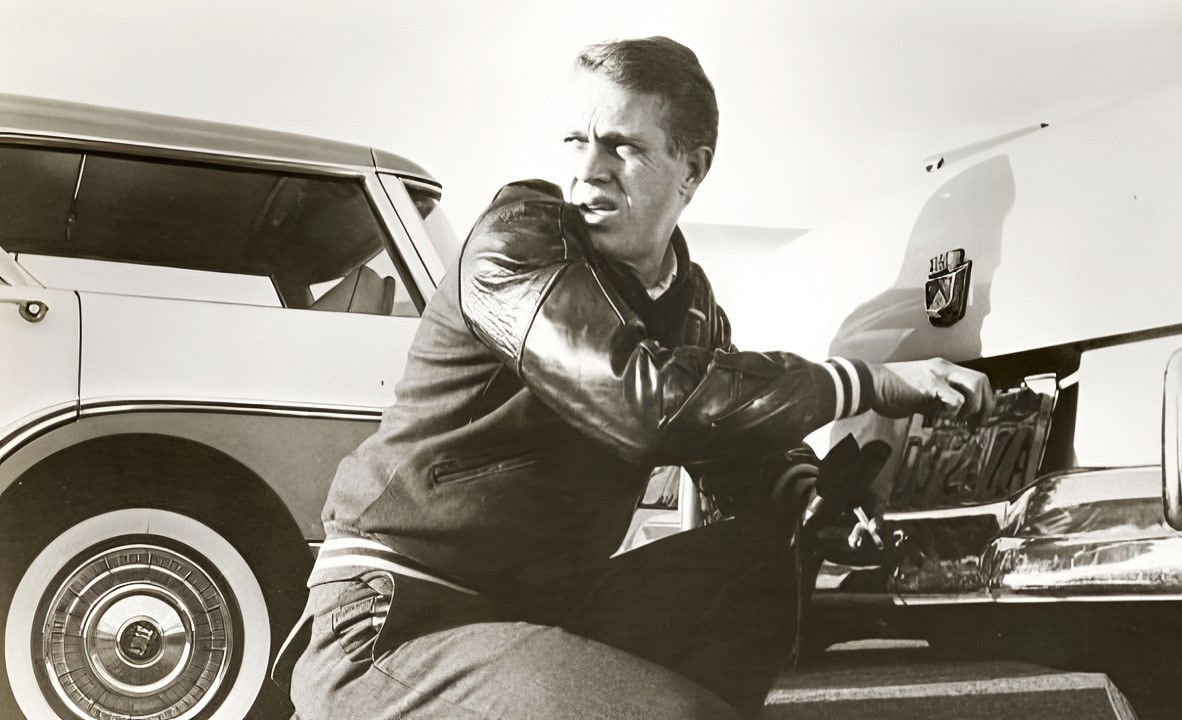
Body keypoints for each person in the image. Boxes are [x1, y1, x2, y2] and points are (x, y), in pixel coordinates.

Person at [275, 36, 992, 720]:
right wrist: (865, 382)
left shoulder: (692, 305)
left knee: (761, 559)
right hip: (396, 620)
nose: (589, 169)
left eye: (622, 145)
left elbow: (741, 452)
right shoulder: (515, 242)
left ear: (692, 169)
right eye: (576, 140)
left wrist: (811, 496)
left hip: (534, 615)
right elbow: (644, 402)